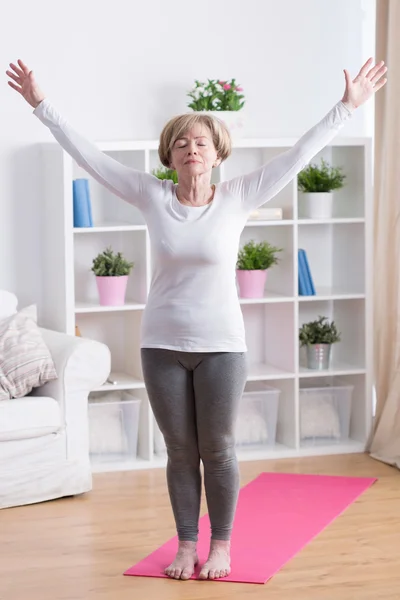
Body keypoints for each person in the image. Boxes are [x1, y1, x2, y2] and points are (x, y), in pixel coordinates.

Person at [6, 57, 387, 581]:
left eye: (201, 142)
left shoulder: (238, 197)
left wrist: (347, 108)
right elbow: (89, 157)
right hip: (161, 343)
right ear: (170, 155)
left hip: (222, 345)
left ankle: (222, 545)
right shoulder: (151, 195)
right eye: (182, 143)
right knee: (181, 450)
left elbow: (299, 156)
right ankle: (187, 544)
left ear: (217, 152)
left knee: (220, 447)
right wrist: (40, 104)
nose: (192, 149)